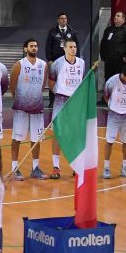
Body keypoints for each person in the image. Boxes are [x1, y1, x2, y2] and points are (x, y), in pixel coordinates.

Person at [9, 39, 48, 180]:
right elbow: (12, 86)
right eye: (31, 46)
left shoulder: (43, 65)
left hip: (37, 107)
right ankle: (14, 167)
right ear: (25, 49)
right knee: (17, 137)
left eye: (36, 46)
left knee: (36, 139)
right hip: (21, 109)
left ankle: (35, 168)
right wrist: (21, 99)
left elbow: (43, 85)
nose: (34, 48)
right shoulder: (19, 65)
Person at [48, 38, 86, 179]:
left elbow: (82, 80)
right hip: (61, 100)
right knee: (58, 134)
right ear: (64, 48)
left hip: (76, 101)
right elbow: (51, 83)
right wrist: (60, 94)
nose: (73, 49)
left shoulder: (81, 63)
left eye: (75, 47)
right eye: (70, 47)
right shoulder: (57, 64)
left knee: (75, 134)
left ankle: (76, 165)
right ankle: (56, 167)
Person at [103, 64, 126, 179]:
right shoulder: (111, 82)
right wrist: (113, 106)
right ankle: (106, 168)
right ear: (122, 74)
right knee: (110, 141)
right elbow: (106, 96)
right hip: (114, 114)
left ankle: (125, 168)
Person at [99, 11, 126, 93]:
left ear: (123, 19)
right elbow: (103, 43)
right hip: (109, 60)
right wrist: (103, 56)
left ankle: (118, 95)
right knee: (108, 78)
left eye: (118, 16)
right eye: (115, 16)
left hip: (120, 61)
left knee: (119, 78)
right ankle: (107, 96)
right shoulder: (109, 30)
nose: (115, 17)